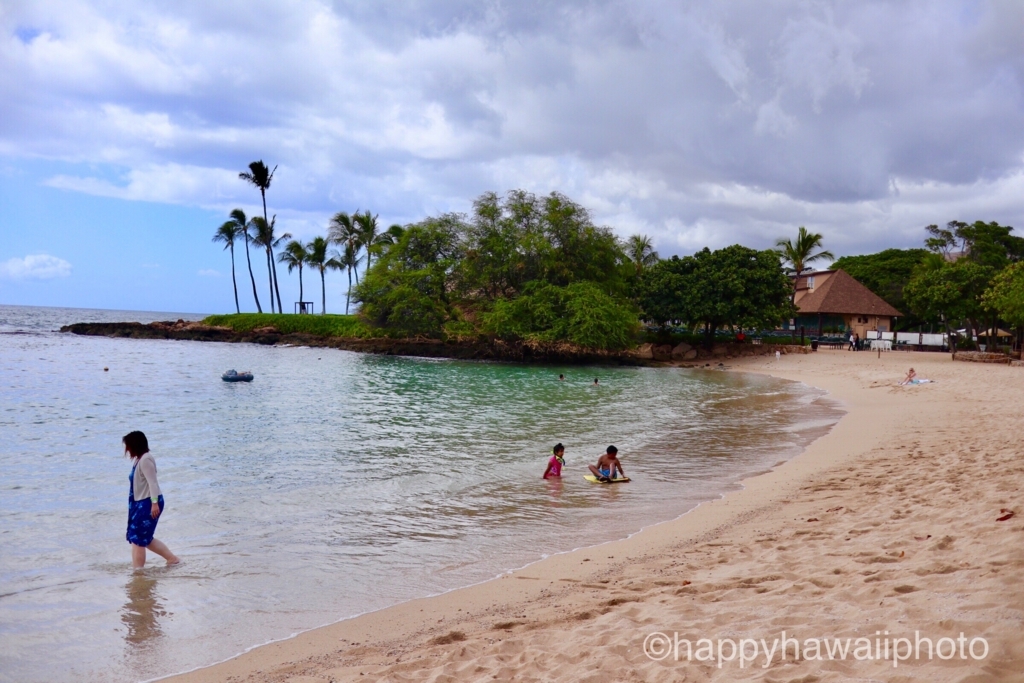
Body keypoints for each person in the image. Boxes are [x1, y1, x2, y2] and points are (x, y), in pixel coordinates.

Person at [123, 431, 179, 569]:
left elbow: (152, 483)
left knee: (139, 539)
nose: (127, 450)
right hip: (140, 502)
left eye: (128, 446)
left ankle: (138, 572)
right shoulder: (139, 459)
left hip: (148, 502)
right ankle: (172, 559)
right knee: (143, 537)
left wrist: (154, 504)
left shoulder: (146, 459)